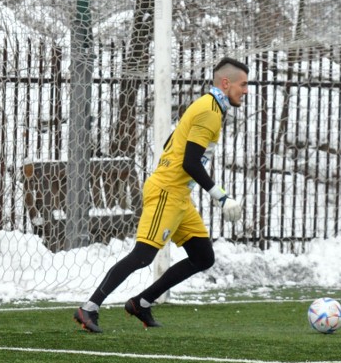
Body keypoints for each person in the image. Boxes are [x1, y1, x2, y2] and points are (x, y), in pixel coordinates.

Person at [73, 57, 250, 333]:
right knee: (143, 255)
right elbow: (189, 163)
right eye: (243, 84)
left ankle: (141, 302)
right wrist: (222, 197)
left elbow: (173, 142)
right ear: (225, 83)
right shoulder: (210, 110)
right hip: (168, 191)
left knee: (203, 257)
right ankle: (90, 307)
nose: (246, 90)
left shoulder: (210, 106)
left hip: (179, 194)